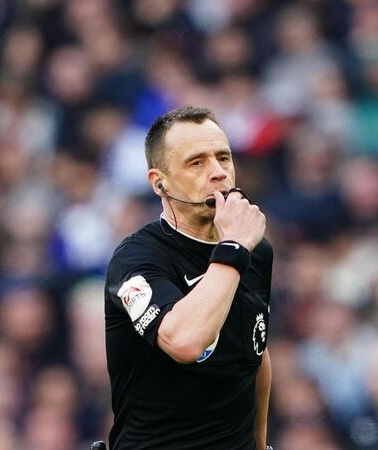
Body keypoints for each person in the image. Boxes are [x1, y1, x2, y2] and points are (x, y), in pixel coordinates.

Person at [104, 106, 272, 449]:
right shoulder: (136, 259)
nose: (218, 173)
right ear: (160, 182)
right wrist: (234, 249)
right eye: (197, 162)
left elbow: (255, 352)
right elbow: (185, 342)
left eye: (223, 158)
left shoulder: (255, 251)